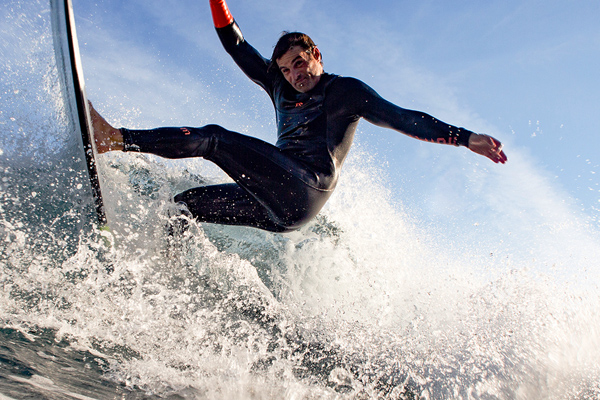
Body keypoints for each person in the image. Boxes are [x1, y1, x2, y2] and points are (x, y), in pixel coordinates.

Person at [91, 0, 507, 233]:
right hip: (277, 202)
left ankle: (114, 139)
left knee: (213, 139)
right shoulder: (279, 85)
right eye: (287, 69)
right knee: (184, 206)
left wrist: (464, 137)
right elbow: (236, 45)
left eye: (300, 63)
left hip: (307, 187)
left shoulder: (345, 91)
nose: (295, 75)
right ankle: (165, 280)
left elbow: (402, 117)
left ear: (316, 55)